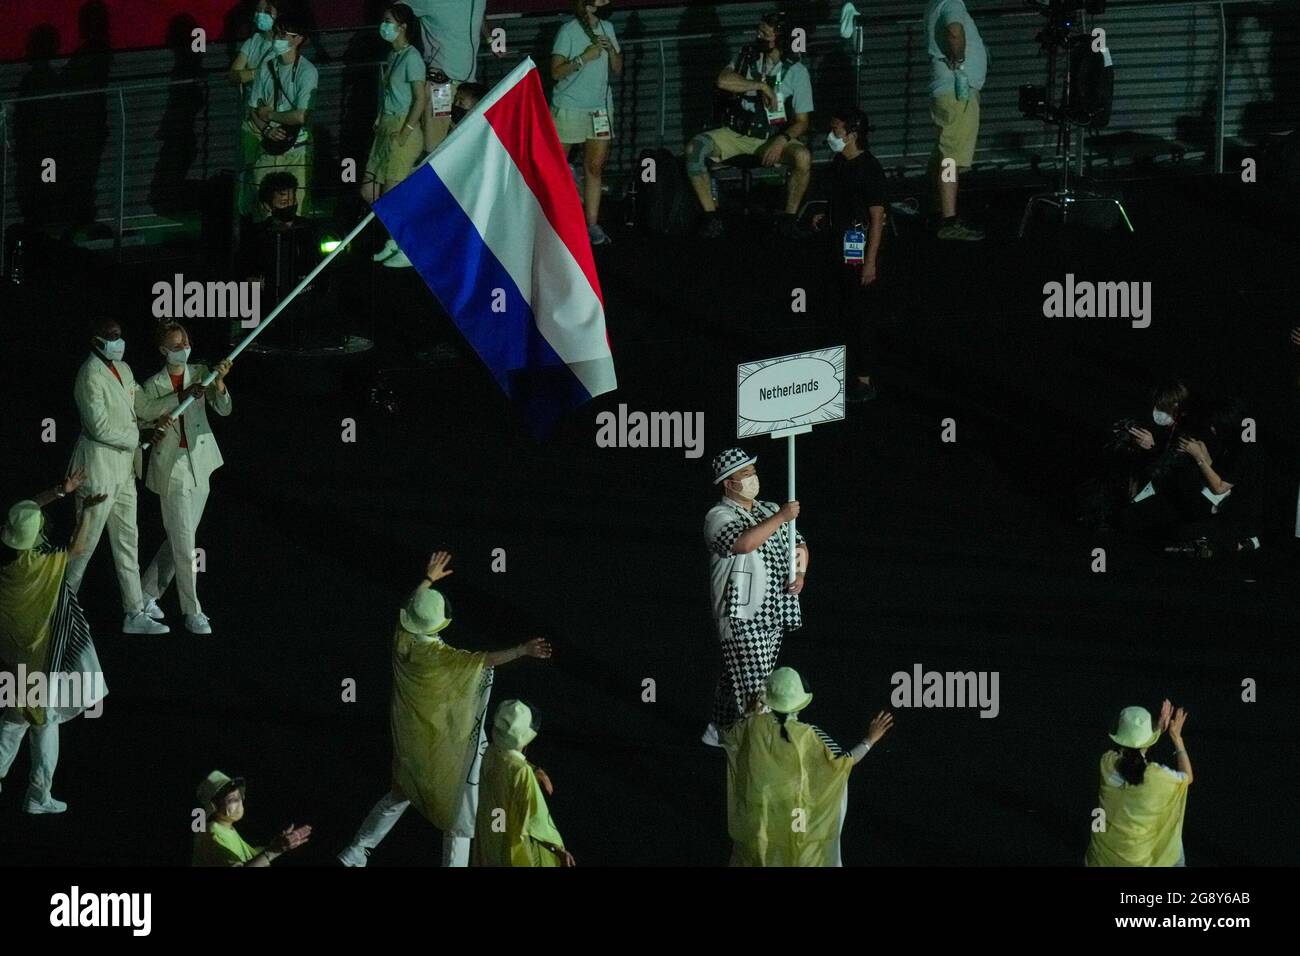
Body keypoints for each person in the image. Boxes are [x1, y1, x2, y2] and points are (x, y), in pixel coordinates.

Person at [338, 551, 552, 867]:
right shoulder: (441, 657)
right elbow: (483, 660)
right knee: (460, 812)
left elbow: (410, 606)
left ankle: (356, 851)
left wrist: (428, 578)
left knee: (400, 794)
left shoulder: (403, 638)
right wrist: (522, 650)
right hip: (444, 743)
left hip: (411, 738)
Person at [0, 476, 109, 814]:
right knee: (25, 724)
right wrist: (87, 511)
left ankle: (39, 794)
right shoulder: (37, 564)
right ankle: (38, 795)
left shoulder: (7, 555)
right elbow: (76, 548)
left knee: (27, 721)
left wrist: (62, 490)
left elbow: (25, 508)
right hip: (36, 657)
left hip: (12, 652)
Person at [721, 667, 893, 866]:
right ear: (799, 702)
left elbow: (728, 738)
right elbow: (844, 761)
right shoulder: (809, 735)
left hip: (760, 815)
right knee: (796, 850)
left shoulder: (751, 726)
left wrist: (750, 714)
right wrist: (870, 739)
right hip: (795, 815)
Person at [66, 318, 170, 635]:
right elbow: (98, 427)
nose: (118, 341)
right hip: (97, 468)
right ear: (96, 340)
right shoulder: (88, 376)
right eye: (111, 336)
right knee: (83, 546)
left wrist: (183, 396)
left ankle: (134, 612)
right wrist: (140, 436)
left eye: (120, 335)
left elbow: (143, 404)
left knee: (128, 541)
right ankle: (58, 611)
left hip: (124, 469)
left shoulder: (122, 369)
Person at [702, 448, 809, 746]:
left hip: (774, 611)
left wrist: (799, 574)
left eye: (752, 472)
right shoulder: (718, 516)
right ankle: (759, 743)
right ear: (728, 483)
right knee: (756, 683)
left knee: (741, 672)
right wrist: (782, 516)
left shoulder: (767, 509)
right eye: (745, 475)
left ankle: (719, 729)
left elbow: (798, 544)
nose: (752, 478)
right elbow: (744, 543)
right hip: (741, 614)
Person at [133, 323, 233, 636]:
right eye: (176, 345)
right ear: (164, 350)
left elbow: (225, 410)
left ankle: (145, 594)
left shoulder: (202, 371)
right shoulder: (151, 385)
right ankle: (192, 612)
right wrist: (180, 396)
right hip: (171, 471)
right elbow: (144, 415)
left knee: (180, 539)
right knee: (185, 543)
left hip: (201, 466)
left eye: (186, 341)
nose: (184, 347)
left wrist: (219, 384)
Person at [686, 12, 815, 239]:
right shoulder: (747, 57)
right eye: (759, 31)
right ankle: (711, 217)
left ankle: (788, 219)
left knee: (803, 157)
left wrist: (781, 140)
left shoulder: (796, 72)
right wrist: (761, 87)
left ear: (779, 37)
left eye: (765, 33)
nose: (759, 36)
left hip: (770, 138)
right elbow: (723, 80)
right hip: (736, 133)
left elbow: (802, 122)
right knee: (695, 148)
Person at [1119, 396, 1263, 555]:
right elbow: (1213, 470)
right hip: (1193, 498)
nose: (1212, 428)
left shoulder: (1244, 448)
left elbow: (1219, 487)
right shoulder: (1217, 437)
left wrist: (1198, 456)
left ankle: (1240, 542)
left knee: (1177, 536)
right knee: (1133, 520)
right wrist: (1202, 454)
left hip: (1227, 509)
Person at [816, 107, 889, 402]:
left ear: (852, 135)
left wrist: (870, 261)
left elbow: (877, 218)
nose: (831, 136)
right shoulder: (838, 163)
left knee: (860, 314)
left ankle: (864, 378)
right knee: (842, 309)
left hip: (858, 248)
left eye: (837, 130)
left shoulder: (869, 169)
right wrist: (823, 214)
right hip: (838, 242)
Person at [550, 0, 622, 247]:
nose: (607, 3)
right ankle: (554, 223)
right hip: (569, 107)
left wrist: (612, 51)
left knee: (595, 166)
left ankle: (591, 224)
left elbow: (618, 69)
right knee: (555, 167)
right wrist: (583, 58)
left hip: (599, 109)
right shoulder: (568, 31)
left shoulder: (608, 27)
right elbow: (555, 72)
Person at [1086, 701, 1192, 867]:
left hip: (1101, 861)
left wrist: (1156, 729)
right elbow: (1187, 777)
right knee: (1173, 844)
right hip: (1140, 863)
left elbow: (1133, 751)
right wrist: (1176, 738)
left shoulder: (1106, 763)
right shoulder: (1158, 777)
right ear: (1149, 741)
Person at [472, 699, 574, 866]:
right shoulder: (521, 771)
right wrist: (557, 850)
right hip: (510, 843)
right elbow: (534, 818)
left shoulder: (490, 753)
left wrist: (534, 769)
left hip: (492, 831)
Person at [366, 4, 430, 269]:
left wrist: (406, 132)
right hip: (386, 128)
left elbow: (420, 98)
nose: (384, 26)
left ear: (403, 26)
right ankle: (396, 236)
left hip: (401, 130)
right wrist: (380, 116)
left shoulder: (412, 58)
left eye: (389, 21)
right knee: (368, 189)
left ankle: (409, 245)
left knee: (392, 194)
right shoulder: (394, 56)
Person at [243, 12, 318, 219]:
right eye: (276, 33)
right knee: (263, 208)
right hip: (268, 148)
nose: (276, 39)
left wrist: (271, 116)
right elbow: (253, 108)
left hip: (298, 149)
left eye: (283, 34)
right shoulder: (267, 67)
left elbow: (302, 116)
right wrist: (267, 128)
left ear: (298, 39)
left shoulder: (307, 71)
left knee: (297, 208)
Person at [924, 0, 987, 240]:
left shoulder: (934, 4)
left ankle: (936, 210)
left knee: (943, 152)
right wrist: (959, 59)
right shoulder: (950, 2)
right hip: (956, 89)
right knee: (952, 157)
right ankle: (949, 220)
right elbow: (954, 31)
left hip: (945, 88)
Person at [406, 1, 494, 154]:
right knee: (435, 147)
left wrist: (491, 39)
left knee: (465, 146)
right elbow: (397, 11)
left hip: (467, 85)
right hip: (441, 85)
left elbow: (480, 15)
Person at [192, 770, 312, 866]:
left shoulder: (226, 829)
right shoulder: (212, 834)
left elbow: (244, 858)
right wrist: (272, 851)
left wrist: (273, 846)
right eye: (232, 800)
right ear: (213, 807)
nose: (239, 804)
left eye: (239, 798)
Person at [229, 0, 280, 217]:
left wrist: (248, 73)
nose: (260, 14)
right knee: (252, 174)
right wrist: (257, 72)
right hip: (251, 119)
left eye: (266, 11)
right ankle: (255, 221)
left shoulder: (282, 44)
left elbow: (270, 74)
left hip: (274, 118)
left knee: (271, 177)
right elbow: (233, 74)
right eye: (257, 10)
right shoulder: (255, 40)